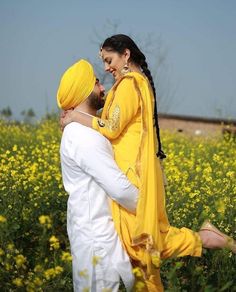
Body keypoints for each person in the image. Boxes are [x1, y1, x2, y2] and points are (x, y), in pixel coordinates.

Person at [60, 35, 236, 291]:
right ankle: (205, 237)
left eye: (109, 60)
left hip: (129, 179)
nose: (106, 68)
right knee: (143, 248)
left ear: (126, 55)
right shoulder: (123, 88)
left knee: (143, 244)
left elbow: (111, 128)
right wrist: (75, 118)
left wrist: (75, 115)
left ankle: (206, 238)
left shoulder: (130, 85)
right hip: (118, 194)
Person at [57, 59, 139, 291]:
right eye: (95, 83)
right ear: (82, 91)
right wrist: (150, 209)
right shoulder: (83, 136)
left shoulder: (87, 130)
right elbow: (120, 189)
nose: (103, 88)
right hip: (100, 247)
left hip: (99, 242)